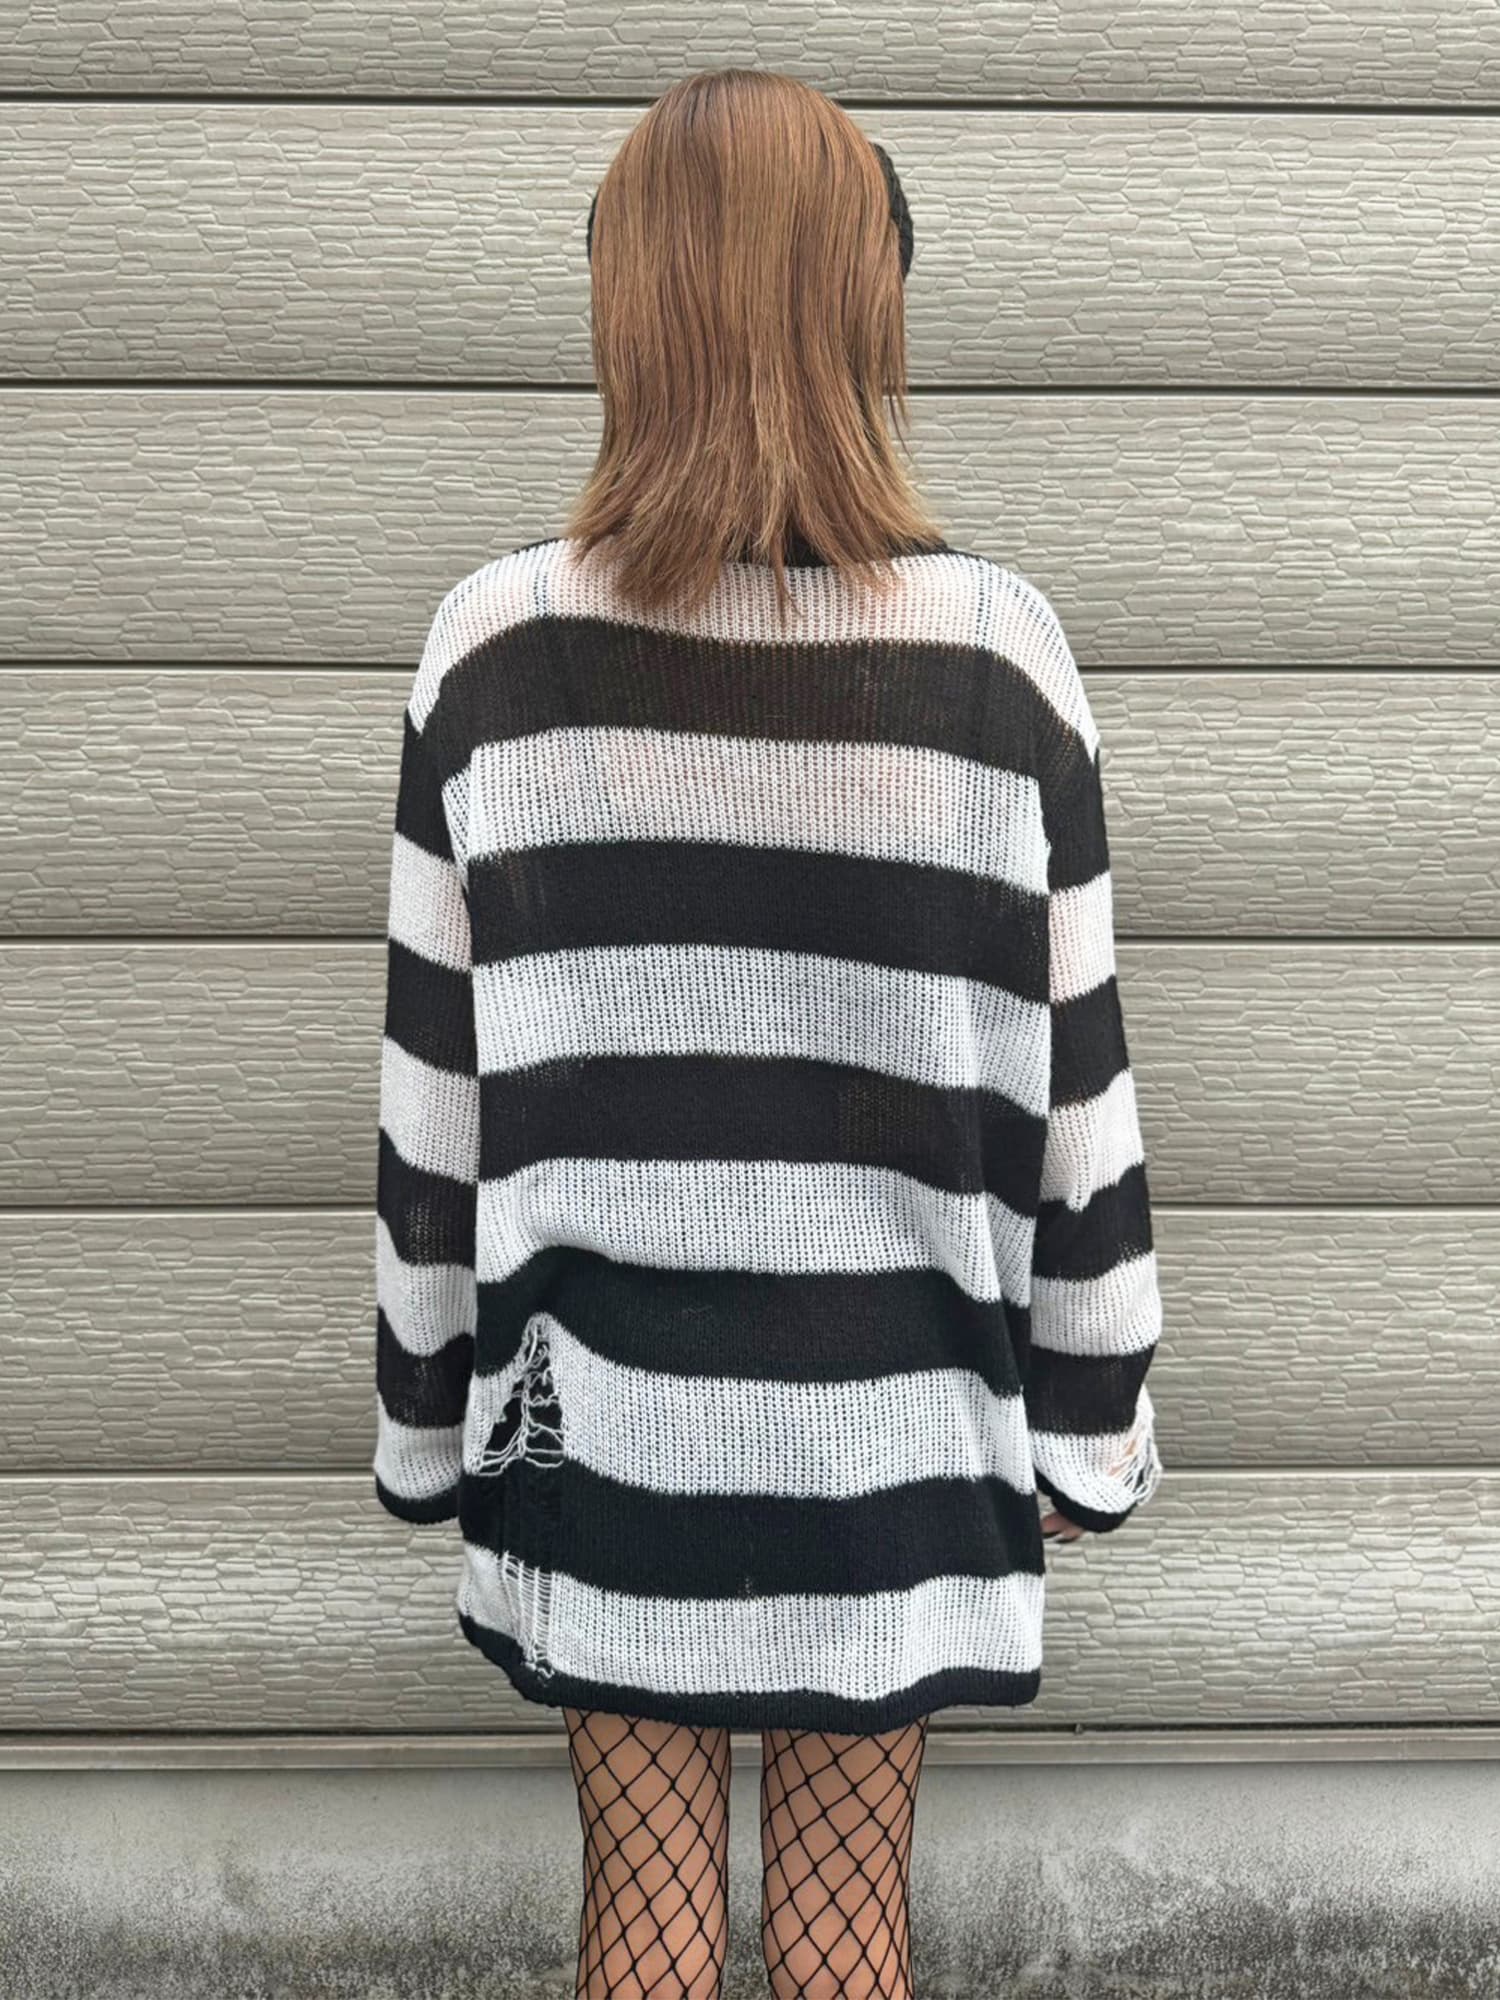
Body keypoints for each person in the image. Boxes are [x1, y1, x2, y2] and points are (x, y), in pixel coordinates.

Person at [372, 66, 1164, 2000]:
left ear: (624, 301)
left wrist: (426, 1422)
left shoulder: (491, 653)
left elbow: (436, 1117)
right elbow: (1077, 1097)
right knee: (842, 1931)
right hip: (893, 1430)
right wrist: (1090, 1423)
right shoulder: (996, 659)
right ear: (869, 302)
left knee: (642, 1930)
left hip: (603, 1422)